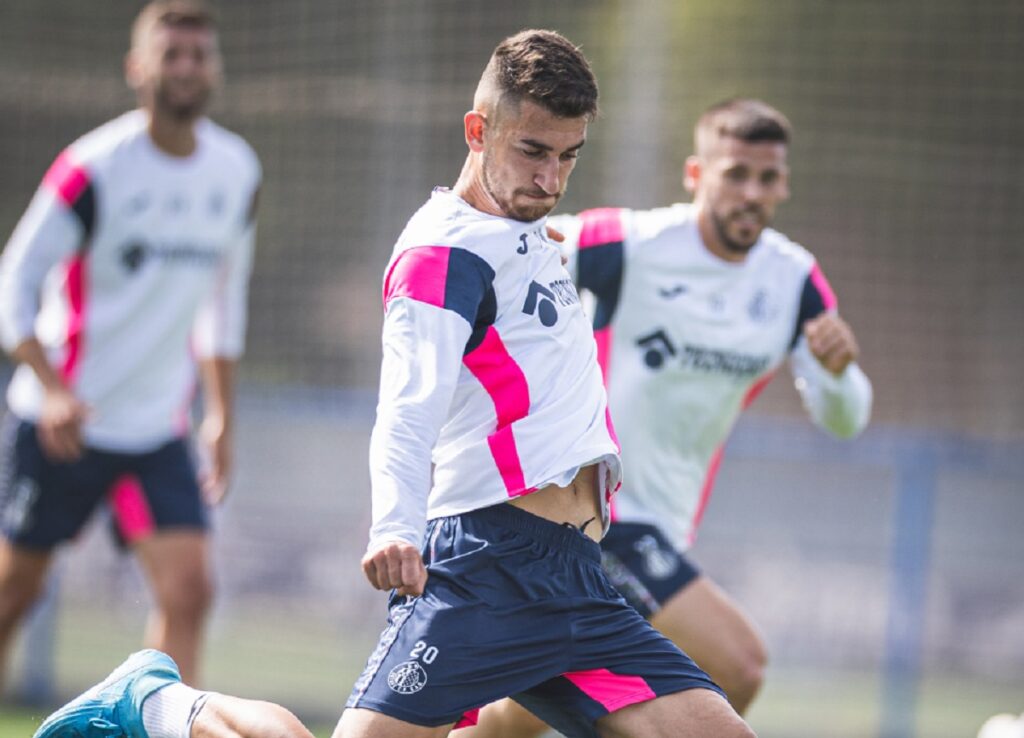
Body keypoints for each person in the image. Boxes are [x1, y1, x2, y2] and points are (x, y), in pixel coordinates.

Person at [30, 29, 755, 738]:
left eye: (568, 156)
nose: (550, 178)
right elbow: (408, 409)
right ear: (478, 129)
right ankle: (160, 703)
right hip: (485, 567)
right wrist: (394, 527)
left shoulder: (526, 229)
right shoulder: (442, 253)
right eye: (532, 151)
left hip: (577, 580)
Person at [465, 97, 874, 736]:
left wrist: (842, 374)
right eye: (735, 173)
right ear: (696, 175)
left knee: (524, 711)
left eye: (766, 178)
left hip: (666, 524)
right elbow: (519, 251)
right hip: (601, 511)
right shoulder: (635, 243)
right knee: (737, 665)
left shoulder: (791, 280)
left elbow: (845, 419)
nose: (751, 193)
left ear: (784, 185)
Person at [0, 0, 260, 689]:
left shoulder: (237, 171)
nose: (185, 67)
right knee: (11, 598)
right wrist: (53, 391)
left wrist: (221, 413)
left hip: (155, 433)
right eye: (170, 54)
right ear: (136, 68)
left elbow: (222, 304)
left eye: (198, 54)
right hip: (64, 427)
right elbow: (13, 282)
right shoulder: (92, 168)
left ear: (216, 68)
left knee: (189, 593)